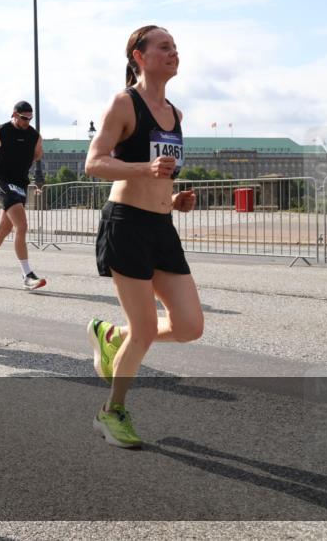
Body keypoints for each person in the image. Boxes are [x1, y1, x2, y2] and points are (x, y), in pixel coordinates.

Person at [84, 25, 203, 449]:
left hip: (161, 226)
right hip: (126, 225)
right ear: (139, 55)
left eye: (175, 47)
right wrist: (143, 172)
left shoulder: (175, 113)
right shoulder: (124, 103)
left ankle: (113, 337)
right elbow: (94, 164)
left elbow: (161, 176)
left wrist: (175, 199)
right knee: (147, 328)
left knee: (190, 326)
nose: (174, 52)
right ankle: (110, 412)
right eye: (164, 46)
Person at [0, 101, 46, 290]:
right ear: (14, 114)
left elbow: (37, 155)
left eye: (30, 118)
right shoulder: (1, 130)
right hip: (3, 181)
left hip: (20, 183)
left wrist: (20, 158)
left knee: (3, 229)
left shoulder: (35, 136)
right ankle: (27, 275)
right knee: (22, 225)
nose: (27, 121)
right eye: (23, 118)